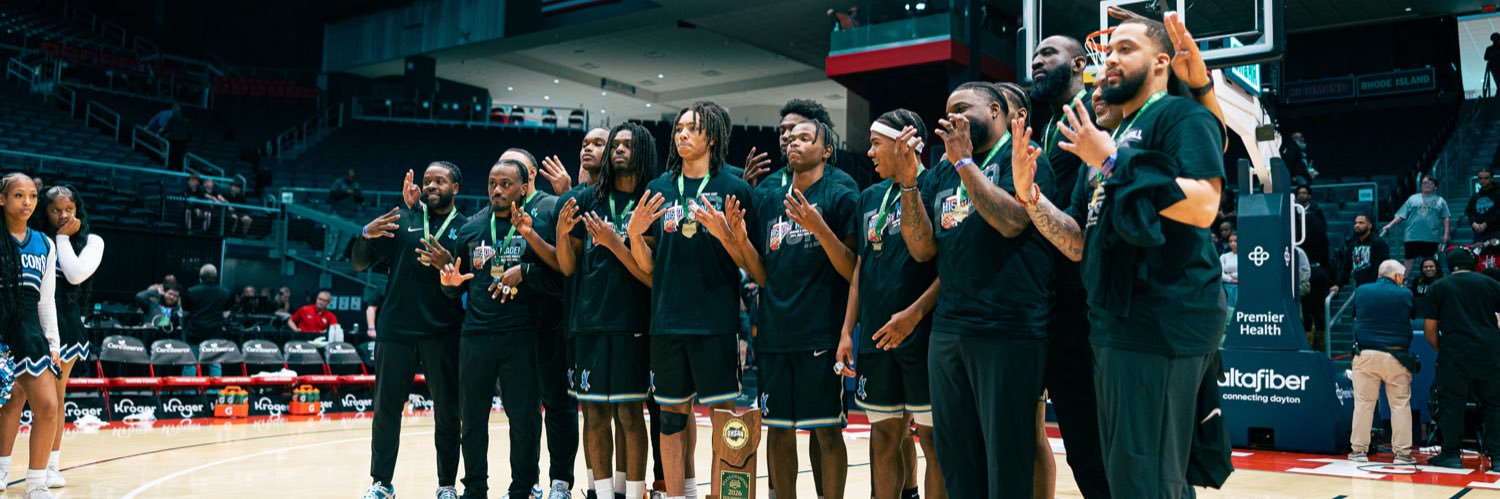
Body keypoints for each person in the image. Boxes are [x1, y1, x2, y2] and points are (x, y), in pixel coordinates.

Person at [1014, 14, 1232, 497]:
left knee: (1148, 476)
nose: (1110, 59)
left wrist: (1110, 160)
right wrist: (1031, 197)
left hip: (1164, 318)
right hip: (1113, 323)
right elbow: (1076, 240)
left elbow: (1204, 205)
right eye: (1108, 52)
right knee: (1128, 474)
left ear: (1160, 63)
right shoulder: (1109, 133)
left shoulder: (1178, 116)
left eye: (1125, 49)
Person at [883, 78, 1056, 497]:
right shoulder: (940, 171)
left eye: (963, 107)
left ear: (995, 111)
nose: (952, 117)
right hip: (950, 330)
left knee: (1006, 459)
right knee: (956, 456)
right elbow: (923, 249)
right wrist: (909, 182)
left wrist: (964, 164)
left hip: (1009, 327)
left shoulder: (1024, 156)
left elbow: (1014, 221)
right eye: (948, 109)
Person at [716, 118, 858, 499]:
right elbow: (763, 273)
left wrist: (819, 227)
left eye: (805, 138)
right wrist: (740, 242)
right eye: (790, 138)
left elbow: (851, 268)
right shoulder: (767, 199)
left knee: (826, 429)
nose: (793, 143)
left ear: (826, 150)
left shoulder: (841, 194)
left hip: (822, 332)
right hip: (776, 332)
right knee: (777, 429)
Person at [626, 101, 754, 499]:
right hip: (666, 322)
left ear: (711, 137)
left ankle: (720, 495)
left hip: (715, 323)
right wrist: (633, 234)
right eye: (678, 128)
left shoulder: (735, 189)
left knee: (722, 421)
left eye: (691, 129)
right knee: (670, 418)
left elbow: (749, 263)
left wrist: (726, 234)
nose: (681, 134)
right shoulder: (658, 190)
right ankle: (678, 495)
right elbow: (648, 267)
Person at [835, 109, 945, 499]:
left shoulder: (935, 186)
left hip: (923, 335)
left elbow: (949, 266)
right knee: (883, 438)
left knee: (933, 443)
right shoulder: (868, 197)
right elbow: (861, 270)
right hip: (877, 340)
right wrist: (849, 331)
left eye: (876, 143)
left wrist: (914, 315)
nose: (869, 152)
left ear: (902, 145)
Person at [436, 158, 560, 499]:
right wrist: (449, 283)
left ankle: (523, 488)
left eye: (506, 184)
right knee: (472, 420)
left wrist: (526, 270)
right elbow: (455, 286)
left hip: (522, 335)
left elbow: (556, 275)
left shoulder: (535, 226)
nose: (498, 190)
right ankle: (474, 488)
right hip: (475, 336)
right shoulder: (472, 228)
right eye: (493, 183)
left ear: (523, 188)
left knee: (524, 419)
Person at [1025, 33, 1112, 499]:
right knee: (1079, 444)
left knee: (1099, 443)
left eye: (1047, 54)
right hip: (1055, 301)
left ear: (1079, 62)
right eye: (1035, 55)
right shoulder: (1053, 125)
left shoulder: (1093, 119)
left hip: (1089, 304)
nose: (1036, 61)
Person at [352, 162, 466, 499]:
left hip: (442, 332)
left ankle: (446, 485)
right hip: (396, 330)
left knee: (448, 413)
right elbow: (359, 263)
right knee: (386, 411)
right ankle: (381, 483)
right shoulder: (400, 220)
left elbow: (458, 290)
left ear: (455, 188)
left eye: (440, 181)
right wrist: (365, 235)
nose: (431, 185)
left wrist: (446, 267)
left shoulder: (467, 228)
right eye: (427, 180)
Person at [556, 123, 657, 499]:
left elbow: (650, 276)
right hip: (589, 320)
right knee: (595, 413)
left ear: (643, 151)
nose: (618, 149)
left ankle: (631, 493)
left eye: (628, 145)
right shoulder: (588, 199)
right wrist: (562, 234)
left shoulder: (651, 198)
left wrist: (617, 243)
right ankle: (601, 493)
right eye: (615, 144)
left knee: (630, 415)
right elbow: (568, 267)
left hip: (633, 321)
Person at [497, 148, 575, 499]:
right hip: (511, 327)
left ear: (528, 176)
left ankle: (561, 481)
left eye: (514, 171)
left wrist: (528, 273)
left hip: (551, 323)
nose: (505, 179)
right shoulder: (493, 216)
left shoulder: (552, 207)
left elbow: (565, 272)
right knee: (521, 412)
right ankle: (526, 483)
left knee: (558, 406)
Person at [14, 184, 102, 490]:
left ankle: (50, 466)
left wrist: (63, 238)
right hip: (26, 324)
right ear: (44, 212)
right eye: (55, 210)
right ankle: (4, 467)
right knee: (15, 398)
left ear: (78, 209)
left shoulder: (92, 241)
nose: (63, 215)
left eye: (69, 209)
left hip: (65, 326)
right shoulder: (35, 239)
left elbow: (75, 273)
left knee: (54, 398)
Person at [0, 173, 62, 499]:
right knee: (8, 406)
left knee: (49, 406)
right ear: (2, 199)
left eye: (32, 197)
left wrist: (53, 343)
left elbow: (46, 299)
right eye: (18, 196)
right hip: (0, 326)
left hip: (29, 328)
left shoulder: (44, 243)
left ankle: (36, 483)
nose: (26, 203)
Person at [1419, 247, 1500, 469]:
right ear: (1472, 264)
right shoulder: (1491, 284)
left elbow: (1429, 329)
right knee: (1495, 404)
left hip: (1454, 353)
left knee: (1451, 404)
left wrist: (1442, 349)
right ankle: (1498, 457)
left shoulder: (1438, 286)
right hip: (1490, 352)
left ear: (1448, 265)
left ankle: (1451, 455)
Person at [1348, 260, 1416, 465]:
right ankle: (1402, 455)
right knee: (1399, 405)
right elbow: (1410, 318)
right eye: (1401, 277)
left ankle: (1358, 451)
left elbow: (1355, 317)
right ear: (1396, 276)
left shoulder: (1361, 291)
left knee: (1363, 404)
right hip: (1396, 356)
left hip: (1366, 354)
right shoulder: (1405, 293)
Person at [1383, 175, 1450, 272]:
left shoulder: (1440, 200)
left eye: (1430, 183)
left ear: (1435, 187)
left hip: (1430, 236)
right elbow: (1401, 215)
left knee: (1428, 261)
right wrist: (1390, 225)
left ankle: (1427, 282)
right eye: (1425, 183)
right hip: (1412, 236)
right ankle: (1403, 281)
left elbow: (1446, 218)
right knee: (1408, 259)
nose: (1427, 185)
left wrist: (1446, 234)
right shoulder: (1412, 199)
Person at [1296, 185, 1333, 339]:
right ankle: (1317, 345)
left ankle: (1314, 343)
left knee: (1311, 311)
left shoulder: (1315, 214)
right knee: (1314, 311)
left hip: (1312, 270)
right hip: (1314, 269)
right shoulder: (1294, 214)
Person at [180, 264, 230, 376]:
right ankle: (214, 391)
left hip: (194, 332)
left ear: (200, 277)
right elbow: (226, 314)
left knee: (190, 362)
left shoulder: (191, 291)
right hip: (214, 332)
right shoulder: (224, 292)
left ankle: (188, 391)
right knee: (215, 362)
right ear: (216, 276)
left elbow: (185, 312)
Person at [1334, 215, 1390, 296]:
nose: (1357, 225)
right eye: (1355, 223)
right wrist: (1338, 284)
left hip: (1376, 289)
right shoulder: (1352, 246)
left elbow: (1382, 267)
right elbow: (1345, 267)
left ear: (1369, 225)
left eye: (1361, 223)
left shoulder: (1379, 243)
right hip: (1360, 288)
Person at [1468, 168, 1500, 246]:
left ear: (1492, 178)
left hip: (1496, 231)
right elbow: (1470, 212)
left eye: (1486, 178)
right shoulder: (1475, 196)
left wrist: (1486, 223)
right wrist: (1474, 223)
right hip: (1480, 233)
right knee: (1478, 256)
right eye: (1480, 178)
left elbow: (1498, 212)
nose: (1483, 180)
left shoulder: (1498, 193)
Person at [1221, 232, 1238, 309]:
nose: (1233, 243)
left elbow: (1247, 273)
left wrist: (1232, 274)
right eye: (1230, 241)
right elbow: (1220, 274)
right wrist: (1231, 279)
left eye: (1235, 241)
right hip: (1227, 288)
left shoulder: (1248, 256)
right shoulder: (1224, 256)